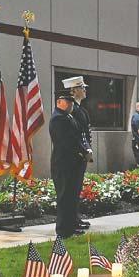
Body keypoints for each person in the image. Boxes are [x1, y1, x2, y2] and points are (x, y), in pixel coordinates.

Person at [49, 91, 90, 238]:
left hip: (73, 163)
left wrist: (85, 150)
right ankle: (63, 230)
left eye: (71, 102)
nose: (70, 105)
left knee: (72, 196)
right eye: (68, 102)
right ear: (59, 102)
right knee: (64, 197)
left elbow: (79, 136)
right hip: (64, 164)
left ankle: (71, 226)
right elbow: (66, 142)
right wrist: (81, 151)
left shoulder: (67, 116)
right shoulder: (58, 119)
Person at [62, 76, 92, 229]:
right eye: (82, 88)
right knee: (71, 190)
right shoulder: (71, 110)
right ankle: (71, 221)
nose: (85, 90)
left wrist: (87, 149)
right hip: (73, 156)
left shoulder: (80, 110)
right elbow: (74, 135)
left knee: (76, 189)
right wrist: (83, 150)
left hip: (81, 155)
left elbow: (85, 133)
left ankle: (75, 218)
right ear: (74, 91)